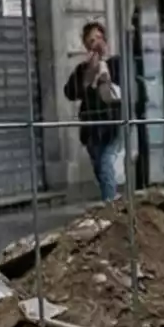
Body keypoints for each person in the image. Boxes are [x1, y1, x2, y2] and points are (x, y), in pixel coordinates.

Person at [63, 20, 128, 202]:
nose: (96, 43)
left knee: (106, 163)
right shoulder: (83, 69)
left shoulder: (116, 63)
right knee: (100, 167)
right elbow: (70, 93)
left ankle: (110, 205)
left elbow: (123, 91)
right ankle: (113, 198)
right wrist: (88, 74)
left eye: (99, 38)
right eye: (91, 40)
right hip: (92, 128)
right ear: (86, 46)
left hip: (112, 124)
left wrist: (105, 75)